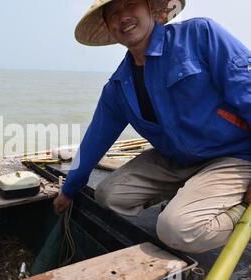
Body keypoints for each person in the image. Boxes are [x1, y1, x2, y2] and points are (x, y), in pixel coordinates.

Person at [53, 0, 251, 254]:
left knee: (178, 230)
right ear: (109, 27)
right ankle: (191, 192)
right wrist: (68, 190)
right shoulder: (119, 84)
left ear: (152, 9)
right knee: (108, 196)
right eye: (113, 13)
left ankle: (234, 210)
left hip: (232, 155)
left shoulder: (200, 34)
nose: (123, 17)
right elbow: (95, 140)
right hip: (177, 160)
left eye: (131, 4)